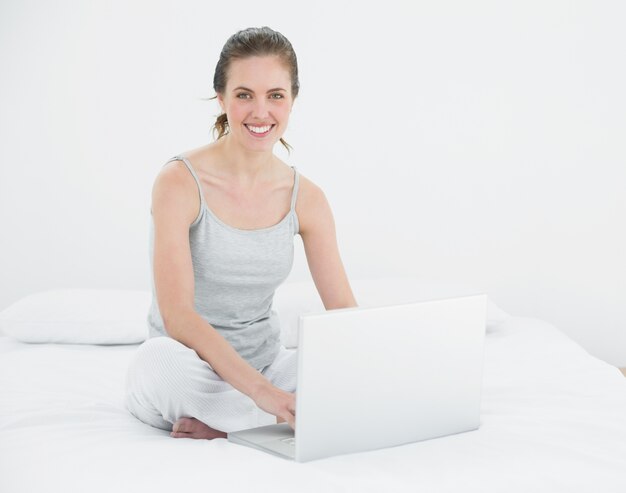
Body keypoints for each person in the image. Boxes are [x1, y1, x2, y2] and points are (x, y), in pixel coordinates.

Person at [124, 26, 357, 440]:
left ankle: (230, 425)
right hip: (188, 366)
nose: (260, 112)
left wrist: (383, 363)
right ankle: (267, 420)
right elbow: (178, 318)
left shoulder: (308, 198)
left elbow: (344, 315)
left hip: (266, 363)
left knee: (339, 366)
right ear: (222, 98)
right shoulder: (179, 181)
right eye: (244, 94)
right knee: (158, 364)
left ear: (293, 100)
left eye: (276, 95)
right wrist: (264, 394)